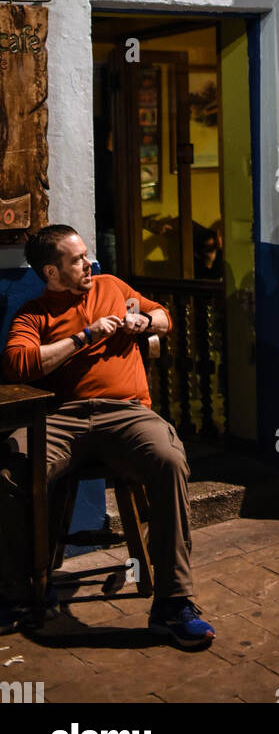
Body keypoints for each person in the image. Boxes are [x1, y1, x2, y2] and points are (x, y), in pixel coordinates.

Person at [0, 226, 215, 647]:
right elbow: (19, 364)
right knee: (7, 474)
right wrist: (85, 336)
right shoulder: (34, 313)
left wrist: (143, 320)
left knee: (169, 461)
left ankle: (173, 604)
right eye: (78, 259)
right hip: (62, 417)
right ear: (51, 271)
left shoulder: (111, 285)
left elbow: (164, 317)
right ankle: (20, 591)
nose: (89, 263)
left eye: (87, 255)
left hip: (126, 412)